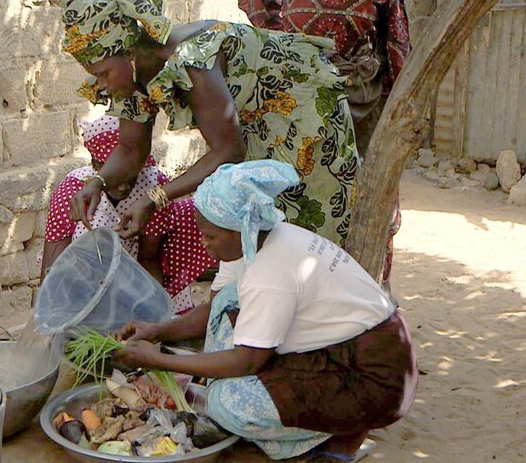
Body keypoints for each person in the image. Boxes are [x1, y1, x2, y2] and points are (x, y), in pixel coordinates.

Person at [113, 160, 418, 462]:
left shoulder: (269, 272)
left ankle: (332, 434)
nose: (204, 244)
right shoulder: (254, 240)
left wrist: (158, 360)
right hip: (334, 350)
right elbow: (214, 311)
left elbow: (246, 361)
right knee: (226, 301)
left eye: (211, 236)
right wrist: (157, 330)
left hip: (373, 378)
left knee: (225, 403)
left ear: (238, 229)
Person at [60, 0, 359, 250]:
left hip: (304, 108)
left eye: (103, 74)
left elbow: (229, 151)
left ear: (129, 52)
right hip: (253, 125)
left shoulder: (192, 59)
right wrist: (97, 183)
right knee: (266, 234)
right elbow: (130, 149)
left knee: (310, 233)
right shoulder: (134, 80)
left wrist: (155, 199)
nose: (101, 85)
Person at [238, 0, 411, 291]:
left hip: (362, 96)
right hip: (304, 96)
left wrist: (400, 98)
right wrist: (289, 45)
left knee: (367, 187)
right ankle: (303, 286)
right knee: (305, 187)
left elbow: (395, 31)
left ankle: (369, 286)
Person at [40, 114, 215, 313]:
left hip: (135, 270)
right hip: (83, 279)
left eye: (131, 175)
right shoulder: (72, 190)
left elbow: (149, 258)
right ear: (96, 166)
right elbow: (52, 269)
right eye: (116, 176)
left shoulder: (154, 187)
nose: (124, 186)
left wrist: (154, 309)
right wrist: (48, 314)